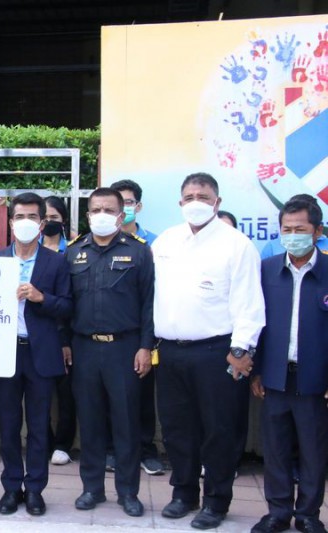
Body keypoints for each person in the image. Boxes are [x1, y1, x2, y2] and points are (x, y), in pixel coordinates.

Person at [153, 172, 265, 530]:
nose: (196, 202)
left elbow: (249, 303)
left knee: (220, 430)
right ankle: (183, 494)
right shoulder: (166, 241)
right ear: (180, 202)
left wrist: (241, 349)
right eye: (189, 197)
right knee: (177, 428)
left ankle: (216, 502)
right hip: (170, 351)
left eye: (203, 196)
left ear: (217, 202)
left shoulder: (237, 244)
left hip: (218, 352)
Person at [65, 187, 154, 517]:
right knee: (89, 422)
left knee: (126, 423)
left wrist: (146, 346)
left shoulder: (139, 252)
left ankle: (128, 492)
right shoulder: (74, 252)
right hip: (84, 348)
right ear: (88, 215)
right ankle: (92, 488)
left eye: (108, 209)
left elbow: (149, 304)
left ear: (120, 215)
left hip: (125, 349)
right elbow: (66, 304)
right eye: (95, 209)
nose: (101, 215)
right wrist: (64, 343)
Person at [0, 192, 73, 516]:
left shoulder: (57, 261)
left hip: (41, 354)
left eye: (32, 217)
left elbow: (68, 306)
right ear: (11, 222)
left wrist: (42, 298)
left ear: (41, 223)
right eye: (19, 217)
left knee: (39, 426)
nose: (25, 222)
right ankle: (12, 487)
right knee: (8, 424)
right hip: (5, 354)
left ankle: (35, 488)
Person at [250, 197, 328, 533]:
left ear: (317, 231)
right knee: (276, 449)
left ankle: (308, 514)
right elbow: (256, 322)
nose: (292, 236)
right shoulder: (267, 270)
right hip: (275, 376)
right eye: (287, 229)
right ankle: (278, 512)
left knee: (313, 450)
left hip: (315, 379)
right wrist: (256, 370)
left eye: (300, 229)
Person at [109, 179, 163, 476]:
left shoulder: (155, 244)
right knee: (108, 397)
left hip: (143, 331)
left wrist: (147, 340)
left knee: (141, 395)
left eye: (128, 202)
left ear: (137, 207)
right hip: (108, 333)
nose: (123, 208)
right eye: (118, 203)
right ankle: (112, 451)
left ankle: (145, 450)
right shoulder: (96, 242)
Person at [42, 196, 76, 467]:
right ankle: (43, 440)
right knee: (39, 393)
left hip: (68, 331)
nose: (49, 222)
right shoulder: (29, 249)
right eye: (44, 218)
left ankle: (63, 444)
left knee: (67, 394)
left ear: (63, 219)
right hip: (39, 331)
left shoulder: (75, 250)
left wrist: (65, 338)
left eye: (54, 217)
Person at [260, 194, 328, 259]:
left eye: (300, 230)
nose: (293, 235)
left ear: (318, 230)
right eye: (287, 230)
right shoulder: (272, 247)